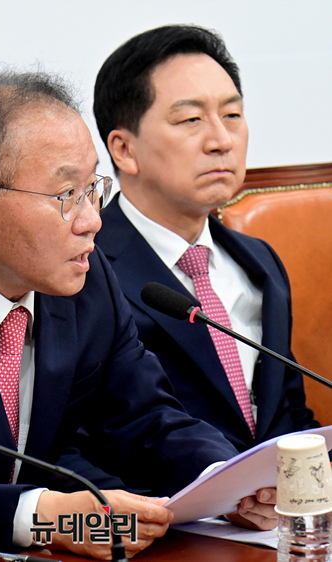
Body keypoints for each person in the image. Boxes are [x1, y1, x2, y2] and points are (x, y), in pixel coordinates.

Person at [0, 69, 276, 559]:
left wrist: (226, 482)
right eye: (66, 196)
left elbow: (145, 417)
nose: (92, 220)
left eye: (93, 189)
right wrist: (44, 518)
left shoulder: (86, 280)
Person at [93, 24, 319, 455]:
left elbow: (288, 415)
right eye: (190, 120)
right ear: (123, 149)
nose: (221, 141)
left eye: (232, 115)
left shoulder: (259, 261)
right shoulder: (83, 268)